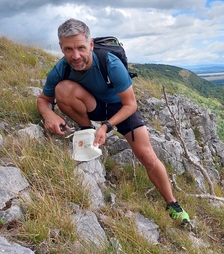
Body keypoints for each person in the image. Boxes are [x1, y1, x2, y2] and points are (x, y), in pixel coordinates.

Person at [37, 18, 189, 224]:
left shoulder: (110, 63)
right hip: (94, 105)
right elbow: (44, 100)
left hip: (121, 107)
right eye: (68, 49)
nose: (76, 56)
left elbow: (131, 105)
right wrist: (49, 114)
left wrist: (107, 126)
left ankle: (173, 204)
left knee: (146, 155)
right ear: (61, 48)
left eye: (81, 48)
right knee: (62, 89)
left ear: (91, 45)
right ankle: (86, 130)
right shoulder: (61, 68)